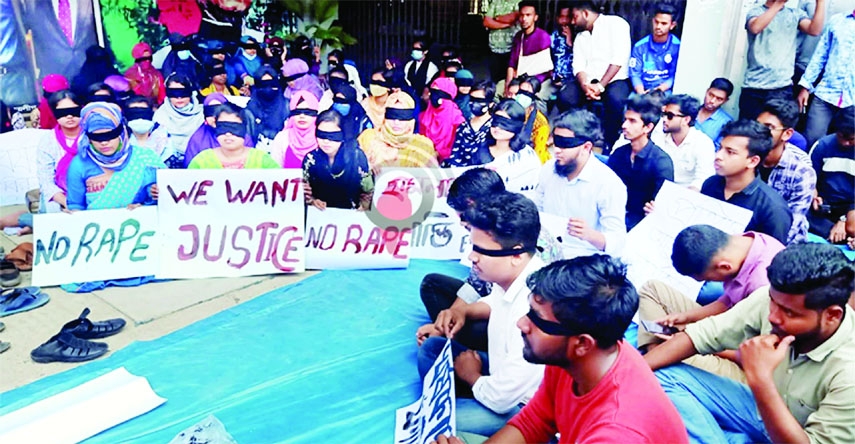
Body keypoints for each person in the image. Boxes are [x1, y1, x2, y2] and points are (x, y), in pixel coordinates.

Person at [435, 256, 690, 444]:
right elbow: (532, 423)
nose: (522, 324)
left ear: (582, 344)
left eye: (538, 320)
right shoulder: (574, 360)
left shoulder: (617, 432)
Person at [644, 243, 855, 444]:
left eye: (789, 313)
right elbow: (701, 335)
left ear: (832, 316)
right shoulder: (773, 299)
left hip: (796, 435)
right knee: (660, 375)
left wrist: (761, 380)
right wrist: (628, 371)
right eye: (773, 301)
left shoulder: (849, 373)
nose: (773, 316)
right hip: (757, 409)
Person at [417, 192, 545, 437]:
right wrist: (461, 311)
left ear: (516, 254)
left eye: (481, 251)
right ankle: (468, 395)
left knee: (431, 424)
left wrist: (472, 376)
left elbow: (502, 398)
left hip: (521, 405)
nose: (471, 257)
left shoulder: (536, 309)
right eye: (472, 247)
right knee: (432, 348)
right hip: (499, 375)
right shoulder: (510, 273)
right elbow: (493, 303)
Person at [417, 168, 563, 353]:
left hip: (518, 322)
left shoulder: (529, 246)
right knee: (432, 284)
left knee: (434, 349)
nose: (461, 222)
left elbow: (519, 309)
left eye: (464, 214)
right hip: (492, 301)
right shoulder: (485, 232)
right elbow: (478, 286)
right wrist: (453, 316)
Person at [637, 225, 785, 381]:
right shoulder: (742, 243)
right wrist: (685, 317)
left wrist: (689, 343)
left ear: (724, 267)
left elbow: (757, 359)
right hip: (723, 330)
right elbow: (730, 300)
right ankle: (655, 355)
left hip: (748, 364)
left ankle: (655, 358)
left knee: (673, 360)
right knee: (651, 289)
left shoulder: (763, 287)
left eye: (707, 279)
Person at [536, 110, 627, 259]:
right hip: (544, 249)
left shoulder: (609, 184)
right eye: (556, 142)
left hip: (583, 259)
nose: (557, 150)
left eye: (565, 144)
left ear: (586, 147)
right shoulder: (548, 170)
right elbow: (536, 209)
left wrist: (589, 235)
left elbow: (617, 242)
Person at [0, 90, 81, 233]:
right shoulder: (47, 141)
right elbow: (46, 181)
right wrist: (65, 202)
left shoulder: (93, 135)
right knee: (53, 216)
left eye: (74, 111)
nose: (69, 116)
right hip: (59, 195)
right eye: (63, 112)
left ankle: (29, 222)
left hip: (89, 191)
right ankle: (24, 220)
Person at [701, 119, 793, 244]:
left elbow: (770, 257)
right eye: (720, 148)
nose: (718, 156)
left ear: (753, 161)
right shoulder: (710, 184)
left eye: (730, 152)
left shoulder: (773, 209)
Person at [66, 102, 164, 210]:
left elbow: (166, 197)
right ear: (88, 138)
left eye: (110, 135)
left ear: (121, 133)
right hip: (96, 225)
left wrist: (150, 200)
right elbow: (75, 206)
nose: (104, 143)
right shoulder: (79, 164)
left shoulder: (146, 158)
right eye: (97, 137)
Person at [739, 0, 826, 120]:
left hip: (782, 88)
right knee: (748, 133)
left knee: (775, 133)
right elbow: (755, 27)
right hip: (754, 87)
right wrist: (778, 3)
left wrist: (820, 2)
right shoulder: (756, 12)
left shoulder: (795, 14)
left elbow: (814, 30)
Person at [569, 1, 632, 149]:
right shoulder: (581, 37)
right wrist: (586, 86)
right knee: (566, 96)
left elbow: (618, 60)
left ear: (586, 14)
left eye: (575, 16)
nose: (573, 21)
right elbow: (578, 66)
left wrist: (600, 86)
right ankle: (577, 135)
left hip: (614, 80)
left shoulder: (617, 24)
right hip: (588, 82)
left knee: (616, 99)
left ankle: (611, 142)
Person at [608, 95, 674, 230]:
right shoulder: (619, 153)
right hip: (613, 215)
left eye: (632, 121)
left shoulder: (661, 162)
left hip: (641, 223)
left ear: (647, 127)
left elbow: (662, 207)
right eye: (625, 120)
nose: (624, 125)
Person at [756, 99, 816, 244]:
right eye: (757, 125)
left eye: (768, 127)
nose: (759, 132)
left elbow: (792, 226)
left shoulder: (802, 171)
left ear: (787, 134)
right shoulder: (746, 155)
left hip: (784, 242)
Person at [797, 10, 855, 147]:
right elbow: (820, 55)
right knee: (812, 139)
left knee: (848, 145)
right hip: (826, 94)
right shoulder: (837, 21)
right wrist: (805, 86)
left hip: (852, 101)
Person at [302, 110, 373, 211]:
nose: (326, 141)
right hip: (318, 217)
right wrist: (312, 201)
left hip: (352, 218)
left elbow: (368, 191)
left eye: (332, 136)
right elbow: (304, 192)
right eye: (321, 135)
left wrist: (363, 208)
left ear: (342, 135)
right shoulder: (310, 160)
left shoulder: (357, 157)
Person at [472, 99, 541, 200]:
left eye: (505, 123)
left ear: (517, 127)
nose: (498, 128)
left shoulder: (526, 158)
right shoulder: (480, 148)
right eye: (496, 121)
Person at [358, 91, 437, 171]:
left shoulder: (422, 146)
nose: (396, 122)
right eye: (392, 116)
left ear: (410, 120)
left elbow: (430, 180)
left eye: (402, 117)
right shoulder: (368, 139)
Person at [651, 94, 716, 190]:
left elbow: (702, 179)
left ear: (686, 120)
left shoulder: (703, 143)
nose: (664, 119)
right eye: (663, 114)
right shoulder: (658, 136)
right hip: (656, 190)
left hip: (686, 196)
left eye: (670, 116)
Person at [188, 103, 279, 170]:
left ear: (244, 128)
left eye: (234, 127)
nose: (228, 134)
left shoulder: (262, 160)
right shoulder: (201, 161)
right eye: (223, 126)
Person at [808, 113, 855, 243]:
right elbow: (809, 178)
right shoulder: (822, 146)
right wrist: (814, 194)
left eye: (851, 139)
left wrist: (844, 219)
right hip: (825, 204)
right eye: (842, 137)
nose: (846, 143)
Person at [184, 92, 254, 168]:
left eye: (219, 111)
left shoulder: (244, 138)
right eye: (210, 112)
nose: (214, 117)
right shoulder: (197, 139)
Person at [153, 74, 205, 167]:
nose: (179, 98)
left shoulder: (202, 114)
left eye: (183, 93)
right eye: (173, 93)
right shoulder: (161, 115)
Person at [629, 3, 681, 96]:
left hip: (665, 91)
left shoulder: (677, 47)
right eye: (656, 22)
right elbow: (635, 74)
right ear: (652, 21)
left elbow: (675, 75)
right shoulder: (640, 46)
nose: (658, 26)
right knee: (630, 105)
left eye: (664, 23)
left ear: (672, 25)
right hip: (642, 90)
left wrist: (658, 90)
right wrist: (641, 93)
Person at [505, 1, 552, 97]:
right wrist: (508, 85)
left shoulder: (542, 37)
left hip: (540, 79)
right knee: (500, 91)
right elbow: (512, 64)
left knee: (527, 96)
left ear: (535, 17)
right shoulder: (518, 36)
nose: (524, 19)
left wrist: (525, 85)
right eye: (521, 15)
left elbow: (544, 68)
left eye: (528, 15)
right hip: (520, 76)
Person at [446, 80, 495, 167]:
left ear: (490, 104)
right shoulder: (463, 127)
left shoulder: (495, 128)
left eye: (480, 100)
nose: (475, 104)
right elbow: (455, 155)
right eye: (472, 99)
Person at [420, 77, 465, 163]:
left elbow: (457, 147)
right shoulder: (423, 117)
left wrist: (438, 153)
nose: (433, 96)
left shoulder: (458, 120)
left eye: (438, 93)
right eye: (432, 91)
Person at [271, 91, 319, 168]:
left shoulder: (321, 138)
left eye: (307, 112)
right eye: (297, 112)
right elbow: (275, 169)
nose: (302, 116)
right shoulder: (282, 138)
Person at [245, 66, 288, 150]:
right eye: (263, 85)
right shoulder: (250, 109)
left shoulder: (287, 106)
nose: (268, 89)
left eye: (272, 85)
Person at [123, 95, 172, 164]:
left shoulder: (164, 138)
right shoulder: (120, 139)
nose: (139, 118)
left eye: (143, 112)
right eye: (134, 112)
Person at [482, 0, 519, 83]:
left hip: (512, 48)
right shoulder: (495, 2)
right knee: (495, 80)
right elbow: (486, 22)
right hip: (494, 48)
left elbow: (513, 17)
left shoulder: (519, 2)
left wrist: (496, 18)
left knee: (511, 80)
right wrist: (507, 24)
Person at [516, 76, 551, 163]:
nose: (522, 95)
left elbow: (539, 152)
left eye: (527, 93)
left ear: (535, 96)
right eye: (521, 91)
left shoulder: (540, 123)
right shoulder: (508, 112)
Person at [550, 2, 576, 113]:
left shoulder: (579, 36)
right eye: (562, 17)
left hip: (572, 81)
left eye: (567, 17)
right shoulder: (553, 36)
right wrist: (553, 75)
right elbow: (549, 59)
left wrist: (570, 41)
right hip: (555, 80)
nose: (564, 21)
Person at [695, 78, 735, 148]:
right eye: (710, 95)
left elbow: (719, 148)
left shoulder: (726, 122)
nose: (712, 101)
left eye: (719, 99)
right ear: (707, 91)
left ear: (725, 100)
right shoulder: (690, 110)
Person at [404, 38, 439, 102]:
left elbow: (430, 84)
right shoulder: (409, 64)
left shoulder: (432, 67)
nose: (414, 51)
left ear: (425, 51)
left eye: (418, 49)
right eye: (414, 49)